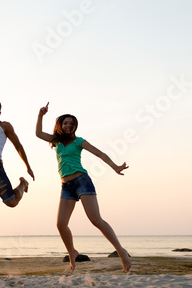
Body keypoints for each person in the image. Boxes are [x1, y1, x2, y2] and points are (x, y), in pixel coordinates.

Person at [35, 102, 131, 272]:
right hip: (66, 186)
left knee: (96, 220)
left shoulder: (79, 141)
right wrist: (41, 115)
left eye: (72, 123)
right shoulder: (56, 141)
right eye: (65, 123)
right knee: (60, 224)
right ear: (60, 125)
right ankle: (72, 253)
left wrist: (115, 167)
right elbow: (38, 133)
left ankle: (121, 251)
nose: (69, 125)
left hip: (82, 181)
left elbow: (100, 153)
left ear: (74, 127)